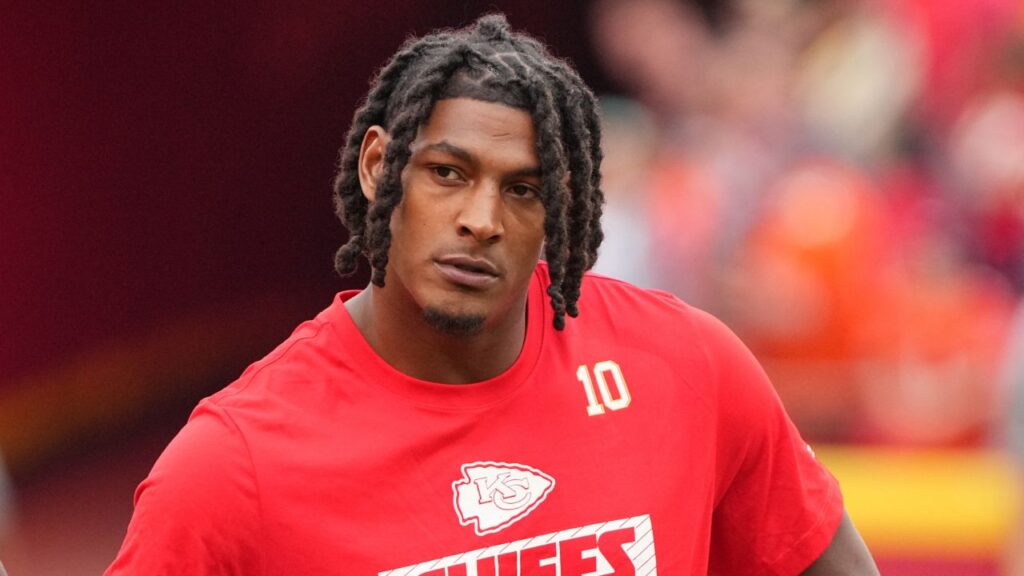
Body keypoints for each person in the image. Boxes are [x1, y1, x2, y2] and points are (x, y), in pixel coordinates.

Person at [106, 14, 877, 575]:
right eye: (448, 173)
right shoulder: (231, 468)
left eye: (523, 189)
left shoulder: (686, 366)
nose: (482, 219)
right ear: (377, 169)